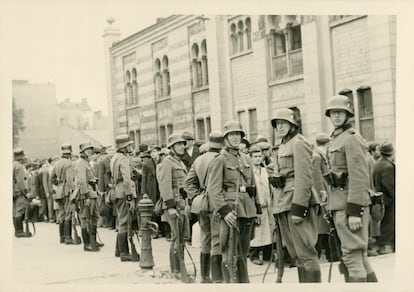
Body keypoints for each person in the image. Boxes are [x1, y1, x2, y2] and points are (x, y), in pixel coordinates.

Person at [324, 94, 377, 282]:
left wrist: (355, 210)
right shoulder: (337, 139)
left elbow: (359, 177)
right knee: (359, 256)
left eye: (340, 112)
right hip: (340, 204)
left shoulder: (351, 139)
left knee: (351, 256)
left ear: (348, 115)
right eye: (333, 113)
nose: (336, 116)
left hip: (349, 207)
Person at [269, 108, 321, 282]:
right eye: (277, 124)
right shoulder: (283, 145)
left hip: (296, 204)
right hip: (283, 202)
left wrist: (299, 208)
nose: (280, 127)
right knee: (296, 254)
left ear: (292, 125)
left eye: (284, 123)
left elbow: (304, 178)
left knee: (306, 251)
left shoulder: (299, 143)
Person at [207, 121, 261, 283]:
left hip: (247, 210)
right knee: (229, 251)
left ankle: (244, 282)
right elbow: (213, 189)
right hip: (230, 211)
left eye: (238, 134)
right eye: (232, 135)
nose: (236, 137)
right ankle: (230, 282)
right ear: (226, 138)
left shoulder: (245, 158)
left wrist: (257, 210)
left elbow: (253, 187)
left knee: (242, 252)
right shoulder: (220, 159)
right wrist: (224, 212)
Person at [183, 131, 225, 283]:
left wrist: (196, 197)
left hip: (202, 204)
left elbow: (187, 183)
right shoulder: (222, 159)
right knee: (217, 239)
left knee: (205, 238)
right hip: (218, 203)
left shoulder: (199, 160)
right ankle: (218, 278)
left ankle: (205, 276)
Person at [157, 133, 190, 280]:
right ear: (172, 147)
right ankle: (176, 269)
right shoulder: (167, 162)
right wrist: (170, 207)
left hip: (182, 205)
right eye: (179, 144)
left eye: (183, 144)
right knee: (176, 238)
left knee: (182, 238)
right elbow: (164, 186)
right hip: (174, 206)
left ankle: (180, 266)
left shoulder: (180, 162)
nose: (183, 146)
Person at [311, 133, 339, 262]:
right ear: (327, 144)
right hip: (321, 194)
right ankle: (324, 254)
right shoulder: (317, 156)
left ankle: (329, 254)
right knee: (322, 227)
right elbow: (316, 177)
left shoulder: (319, 155)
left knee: (324, 226)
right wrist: (321, 192)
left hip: (323, 192)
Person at [110, 134, 137, 261]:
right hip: (124, 192)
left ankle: (118, 250)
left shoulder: (115, 157)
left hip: (117, 190)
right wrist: (130, 197)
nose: (131, 147)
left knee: (121, 219)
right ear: (123, 147)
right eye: (128, 145)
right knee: (124, 222)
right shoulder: (124, 159)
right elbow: (126, 180)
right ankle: (124, 253)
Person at [75, 141, 103, 252]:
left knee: (94, 217)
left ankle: (93, 240)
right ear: (82, 152)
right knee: (86, 218)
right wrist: (86, 196)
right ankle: (87, 244)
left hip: (92, 193)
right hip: (86, 194)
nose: (89, 151)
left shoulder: (86, 162)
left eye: (90, 149)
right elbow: (82, 181)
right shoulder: (81, 163)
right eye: (87, 150)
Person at [249, 145, 274, 265]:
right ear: (250, 158)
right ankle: (254, 255)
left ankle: (267, 254)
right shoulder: (249, 172)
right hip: (256, 205)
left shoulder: (264, 171)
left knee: (268, 230)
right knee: (257, 231)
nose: (258, 159)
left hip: (267, 203)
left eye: (259, 156)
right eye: (255, 157)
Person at [50, 144, 77, 244]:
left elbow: (52, 179)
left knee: (61, 214)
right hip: (66, 191)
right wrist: (72, 189)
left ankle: (61, 237)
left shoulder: (56, 163)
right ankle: (68, 237)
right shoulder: (69, 163)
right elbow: (70, 180)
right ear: (69, 153)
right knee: (68, 214)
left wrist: (59, 184)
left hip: (58, 191)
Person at [373, 142, 395, 254]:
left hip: (379, 198)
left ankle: (383, 245)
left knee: (382, 222)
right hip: (388, 199)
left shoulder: (377, 164)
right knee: (388, 223)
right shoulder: (388, 166)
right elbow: (389, 184)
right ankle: (384, 246)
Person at [13, 148, 32, 238]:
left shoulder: (12, 165)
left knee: (14, 211)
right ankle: (20, 231)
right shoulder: (19, 166)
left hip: (12, 191)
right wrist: (25, 192)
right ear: (21, 157)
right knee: (19, 211)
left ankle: (17, 231)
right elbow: (20, 181)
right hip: (18, 191)